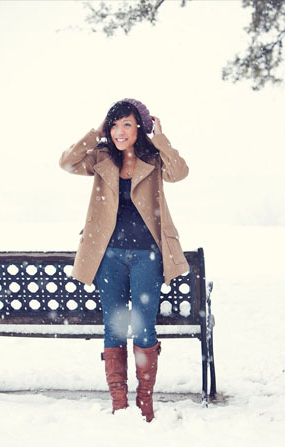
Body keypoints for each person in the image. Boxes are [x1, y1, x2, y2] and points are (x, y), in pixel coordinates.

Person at [59, 98, 189, 422]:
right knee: (113, 328)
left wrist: (160, 138)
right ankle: (119, 402)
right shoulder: (101, 159)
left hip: (147, 255)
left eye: (127, 124)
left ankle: (145, 403)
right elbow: (66, 162)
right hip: (109, 257)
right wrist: (95, 132)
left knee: (145, 328)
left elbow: (180, 172)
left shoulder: (154, 159)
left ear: (139, 128)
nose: (119, 131)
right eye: (114, 125)